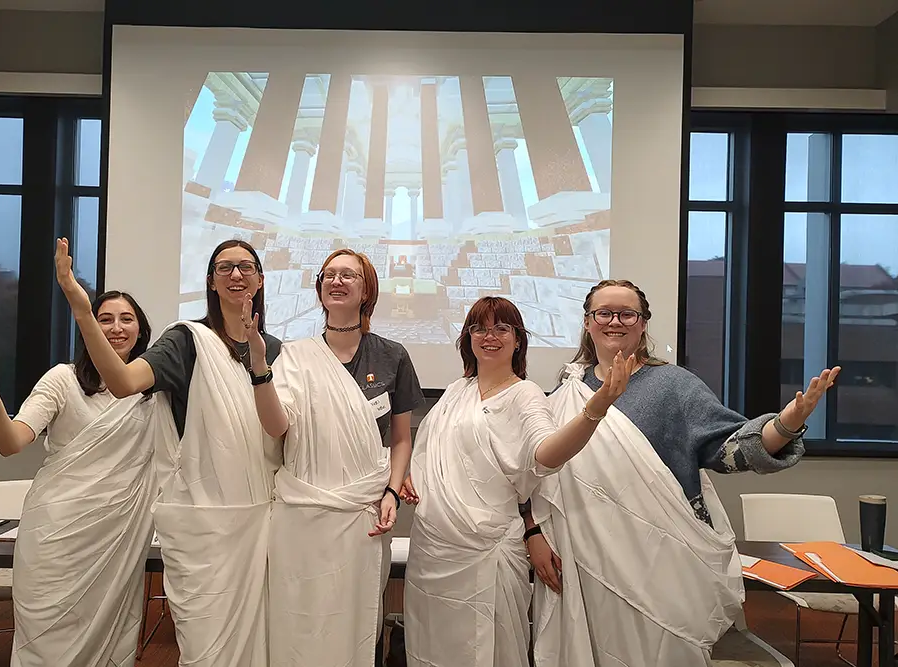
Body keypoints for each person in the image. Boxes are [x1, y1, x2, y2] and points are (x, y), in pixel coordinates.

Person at [524, 279, 841, 667]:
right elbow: (540, 471)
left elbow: (729, 450)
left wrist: (788, 422)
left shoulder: (673, 385)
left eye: (627, 313)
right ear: (588, 322)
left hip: (661, 557)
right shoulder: (567, 388)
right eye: (603, 313)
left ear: (643, 323)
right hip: (583, 553)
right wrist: (533, 531)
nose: (615, 322)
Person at [55, 238, 282, 667]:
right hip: (204, 524)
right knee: (207, 646)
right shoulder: (186, 341)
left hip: (264, 523)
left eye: (245, 266)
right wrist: (83, 310)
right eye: (224, 268)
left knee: (265, 644)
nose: (236, 275)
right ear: (211, 281)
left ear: (260, 278)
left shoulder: (277, 350)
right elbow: (123, 382)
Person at [399, 296, 635, 667]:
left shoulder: (525, 394)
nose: (489, 336)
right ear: (467, 338)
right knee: (430, 647)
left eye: (501, 328)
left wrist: (598, 407)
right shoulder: (456, 392)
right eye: (479, 328)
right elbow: (431, 449)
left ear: (518, 339)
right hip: (432, 549)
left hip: (486, 549)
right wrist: (415, 474)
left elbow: (545, 455)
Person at [0, 290, 156, 667]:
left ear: (141, 330)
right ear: (88, 327)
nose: (116, 328)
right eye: (105, 318)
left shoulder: (152, 391)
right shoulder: (64, 379)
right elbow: (10, 441)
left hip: (119, 536)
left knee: (111, 636)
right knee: (47, 639)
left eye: (126, 319)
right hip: (56, 532)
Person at [247, 248, 424, 667]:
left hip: (362, 513)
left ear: (367, 290)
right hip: (302, 514)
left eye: (349, 275)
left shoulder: (392, 356)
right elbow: (276, 427)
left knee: (356, 616)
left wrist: (392, 494)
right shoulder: (293, 355)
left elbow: (401, 440)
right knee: (299, 616)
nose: (337, 281)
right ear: (320, 289)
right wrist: (259, 367)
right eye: (329, 275)